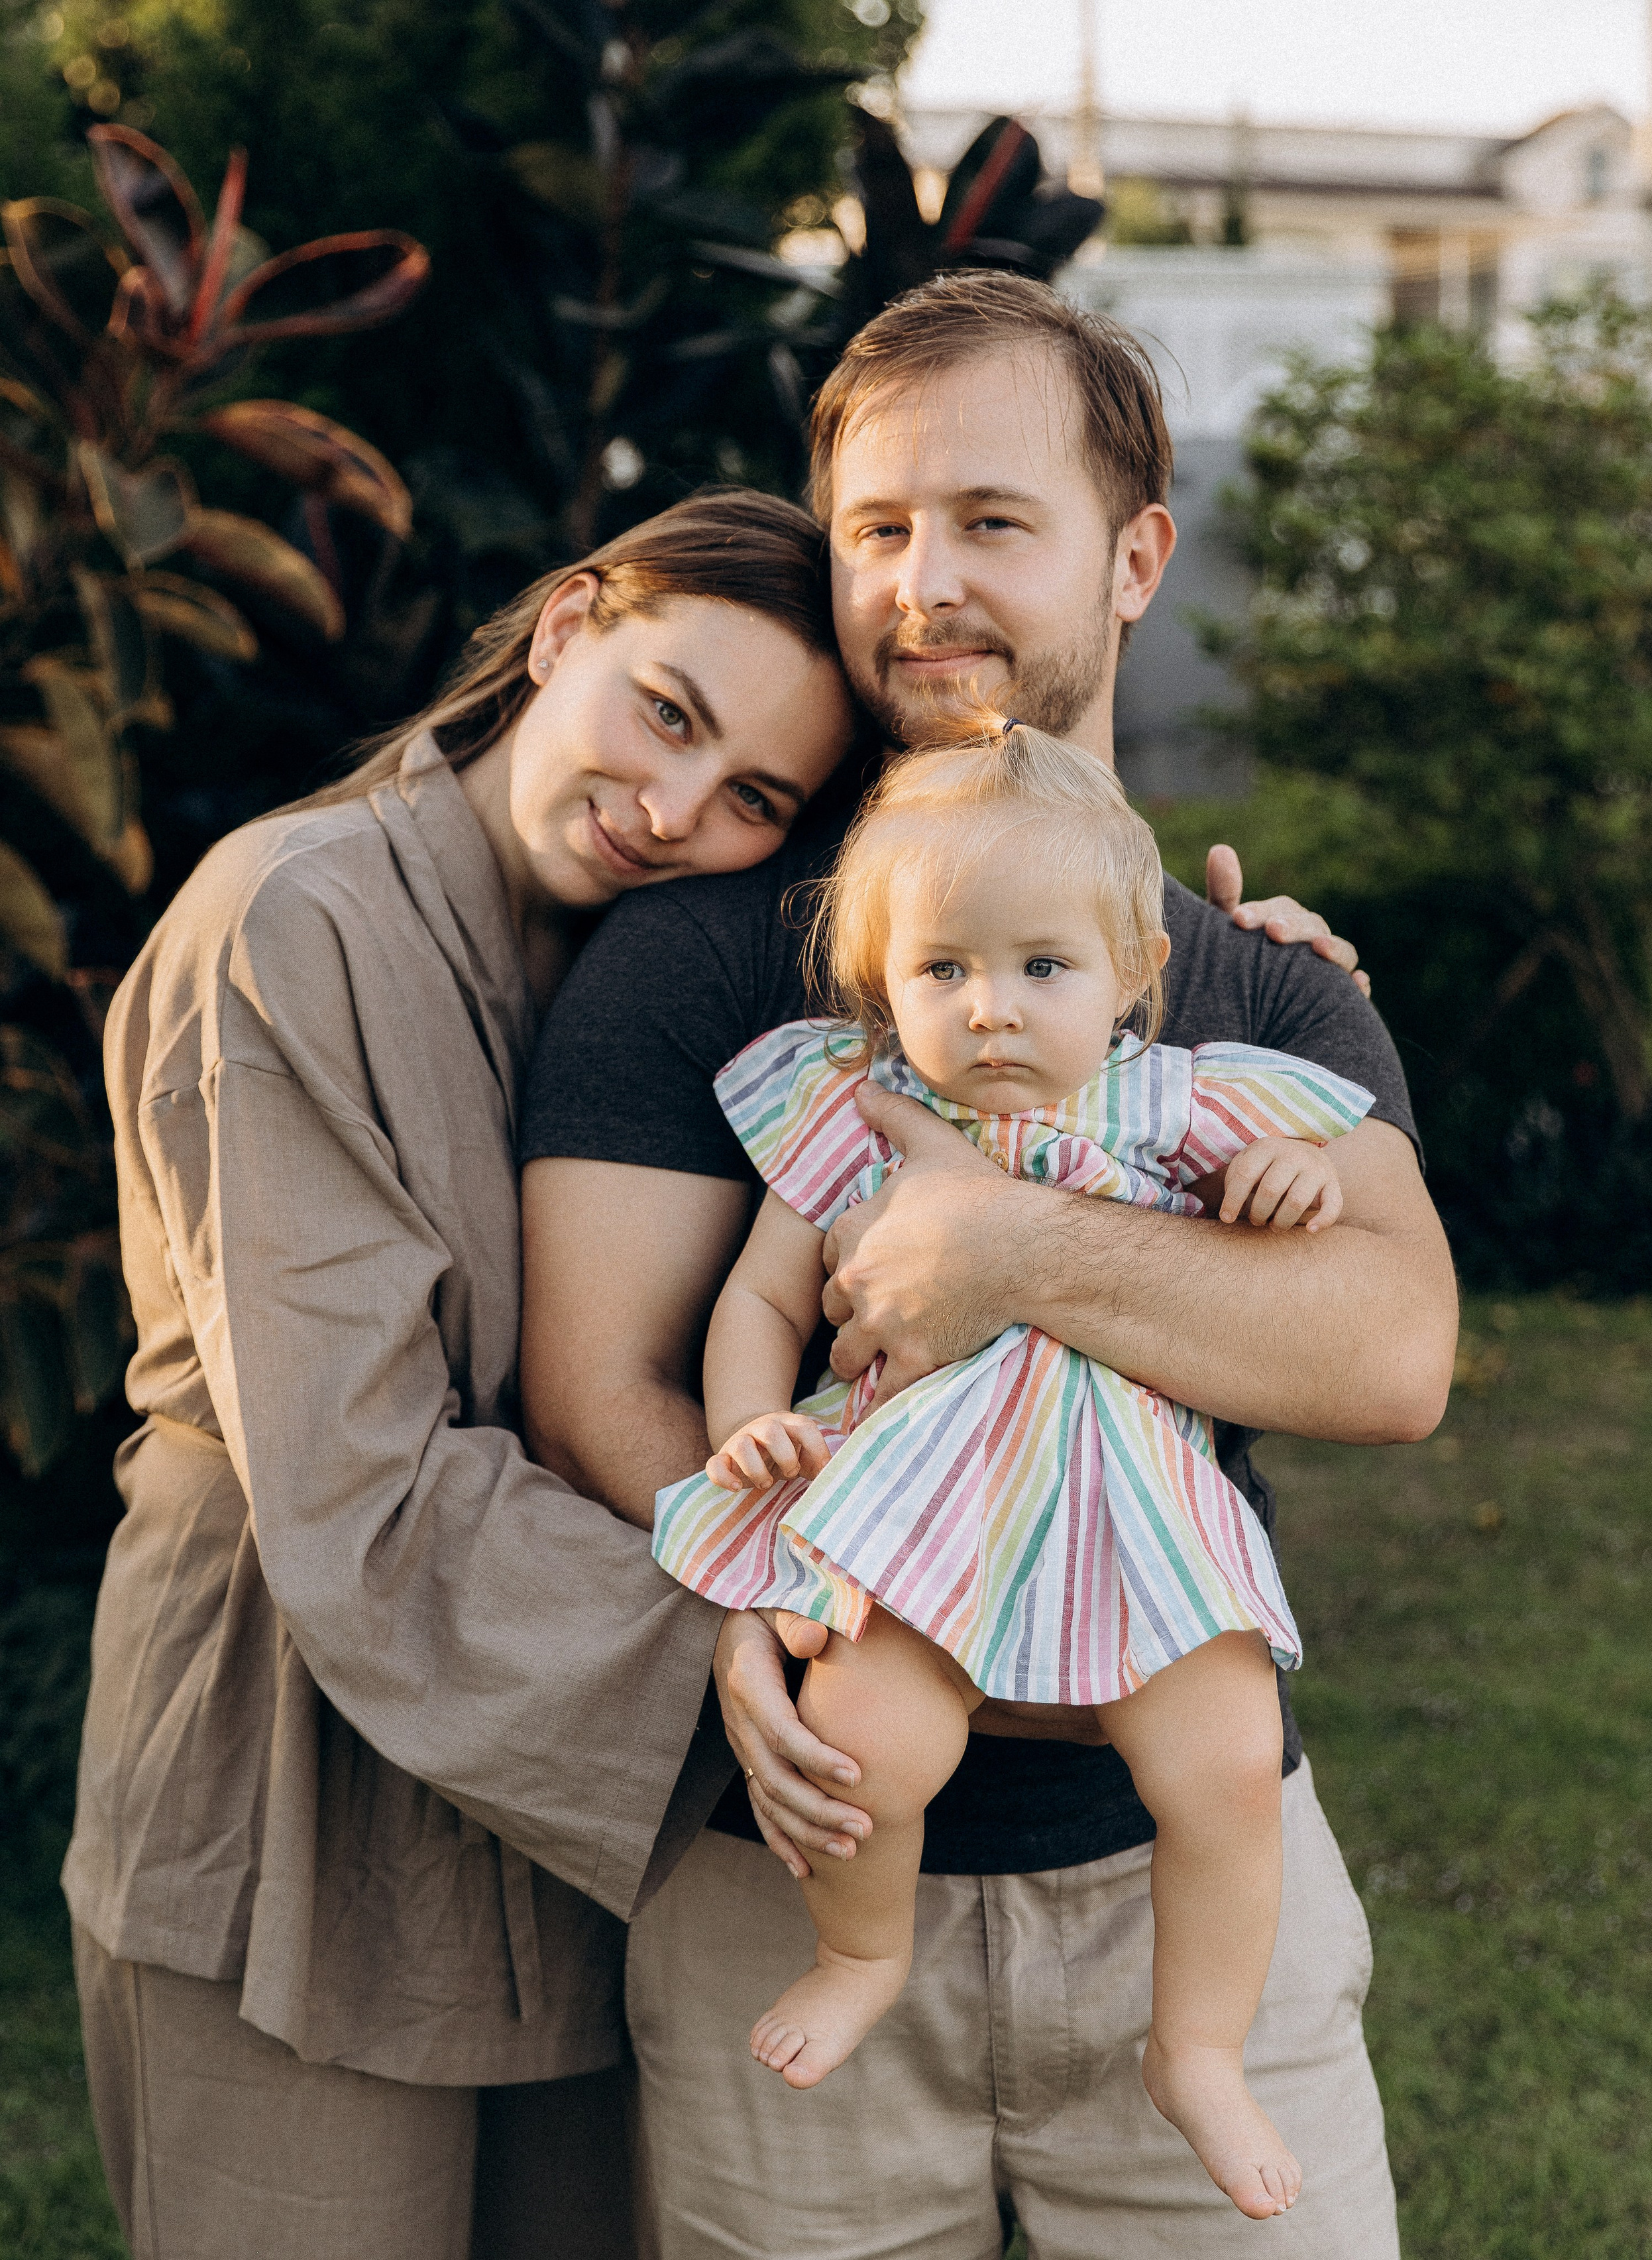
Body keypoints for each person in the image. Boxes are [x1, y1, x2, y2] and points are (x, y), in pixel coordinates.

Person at [522, 273, 1458, 2259]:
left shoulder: (1245, 984)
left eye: (989, 523)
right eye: (878, 529)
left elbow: (1391, 1351)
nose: (922, 585)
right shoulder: (707, 959)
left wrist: (1013, 1242)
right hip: (795, 1851)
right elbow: (602, 1382)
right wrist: (756, 1587)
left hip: (1183, 1867)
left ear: (1136, 559)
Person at [62, 490, 856, 2260]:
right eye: (670, 711)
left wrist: (1225, 964)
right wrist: (763, 1643)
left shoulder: (661, 964)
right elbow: (362, 1480)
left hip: (571, 1807)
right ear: (569, 621)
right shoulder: (294, 916)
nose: (674, 813)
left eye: (754, 801)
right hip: (286, 1777)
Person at [648, 718, 1378, 2223]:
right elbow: (760, 1302)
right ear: (884, 982)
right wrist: (747, 1426)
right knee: (865, 1749)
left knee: (1226, 1765)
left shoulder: (1175, 1104)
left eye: (1041, 968)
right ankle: (861, 1952)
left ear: (1130, 974)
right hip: (923, 1506)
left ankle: (1198, 2049)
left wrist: (1290, 1188)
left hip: (1128, 1508)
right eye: (943, 971)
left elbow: (1306, 1234)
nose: (989, 1011)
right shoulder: (850, 1111)